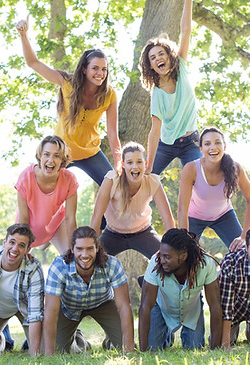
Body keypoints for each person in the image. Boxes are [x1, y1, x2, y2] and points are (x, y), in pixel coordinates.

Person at [16, 16, 121, 189]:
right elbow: (33, 63)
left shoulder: (109, 95)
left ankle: (103, 218)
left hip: (90, 153)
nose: (100, 73)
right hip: (61, 153)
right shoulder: (67, 83)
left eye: (104, 69)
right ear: (84, 69)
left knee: (114, 188)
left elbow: (112, 134)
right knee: (40, 188)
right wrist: (23, 35)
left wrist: (119, 164)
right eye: (95, 68)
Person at [43, 226, 134, 354]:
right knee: (56, 349)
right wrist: (48, 354)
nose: (85, 255)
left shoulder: (112, 264)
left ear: (97, 248)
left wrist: (129, 350)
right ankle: (79, 339)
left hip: (103, 303)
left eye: (90, 248)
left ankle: (110, 340)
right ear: (72, 249)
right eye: (79, 249)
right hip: (69, 307)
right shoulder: (59, 267)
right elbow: (51, 311)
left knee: (124, 343)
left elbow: (124, 306)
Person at [139, 0, 202, 175]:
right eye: (153, 57)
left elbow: (185, 31)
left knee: (198, 178)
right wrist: (149, 165)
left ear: (170, 56)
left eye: (161, 54)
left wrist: (188, 2)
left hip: (192, 141)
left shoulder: (181, 66)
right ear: (150, 66)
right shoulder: (157, 94)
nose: (158, 58)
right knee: (147, 178)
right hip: (166, 145)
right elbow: (154, 131)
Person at [139, 228, 222, 351]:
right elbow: (145, 306)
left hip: (192, 308)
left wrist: (215, 348)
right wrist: (143, 350)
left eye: (167, 257)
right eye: (161, 255)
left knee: (194, 348)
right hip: (161, 306)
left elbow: (215, 306)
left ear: (183, 256)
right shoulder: (155, 263)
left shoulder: (205, 264)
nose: (162, 260)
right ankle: (167, 335)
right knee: (153, 349)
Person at [90, 141, 175, 259]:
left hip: (143, 232)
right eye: (130, 162)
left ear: (145, 164)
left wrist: (173, 247)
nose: (135, 166)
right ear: (123, 164)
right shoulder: (112, 180)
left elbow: (167, 218)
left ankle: (144, 279)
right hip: (113, 234)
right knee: (94, 261)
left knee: (167, 259)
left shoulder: (152, 181)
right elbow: (97, 216)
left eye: (139, 162)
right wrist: (91, 247)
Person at [178, 127, 250, 251]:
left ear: (225, 146)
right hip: (194, 217)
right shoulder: (191, 168)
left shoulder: (236, 168)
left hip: (224, 215)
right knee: (186, 254)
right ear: (201, 149)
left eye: (217, 142)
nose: (213, 147)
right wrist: (184, 237)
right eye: (207, 144)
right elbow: (182, 208)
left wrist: (244, 236)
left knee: (244, 250)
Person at [0, 223, 44, 356]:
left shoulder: (33, 269)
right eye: (12, 242)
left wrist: (35, 357)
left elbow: (35, 314)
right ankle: (2, 340)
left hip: (26, 312)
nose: (15, 249)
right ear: (4, 242)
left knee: (46, 347)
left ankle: (74, 335)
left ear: (28, 250)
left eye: (21, 245)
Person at [15, 135, 78, 254]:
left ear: (62, 160)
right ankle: (43, 242)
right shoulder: (25, 178)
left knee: (70, 257)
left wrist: (73, 249)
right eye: (46, 154)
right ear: (39, 156)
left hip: (56, 227)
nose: (50, 160)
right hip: (29, 228)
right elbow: (23, 218)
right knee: (17, 259)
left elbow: (70, 218)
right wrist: (23, 246)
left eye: (56, 156)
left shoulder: (69, 179)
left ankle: (47, 239)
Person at [219, 229, 250, 349]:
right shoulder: (230, 263)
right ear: (246, 247)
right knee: (217, 341)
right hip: (234, 311)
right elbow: (225, 307)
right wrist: (225, 343)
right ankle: (233, 331)